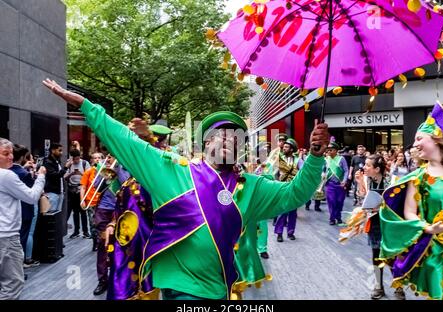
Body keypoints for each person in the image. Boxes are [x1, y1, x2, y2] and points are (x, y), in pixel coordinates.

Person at [43, 78, 329, 300]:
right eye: (221, 134)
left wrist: (315, 157)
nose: (229, 139)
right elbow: (128, 142)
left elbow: (295, 193)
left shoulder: (253, 187)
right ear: (206, 143)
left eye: (236, 137)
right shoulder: (174, 170)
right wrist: (87, 107)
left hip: (220, 286)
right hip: (179, 287)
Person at [379, 102, 443, 300]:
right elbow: (409, 211)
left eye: (419, 138)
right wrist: (427, 228)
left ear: (437, 139)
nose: (415, 143)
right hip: (434, 251)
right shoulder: (417, 177)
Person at [107, 123, 173, 300]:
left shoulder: (156, 180)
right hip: (126, 246)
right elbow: (123, 208)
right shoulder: (129, 182)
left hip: (150, 247)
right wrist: (113, 224)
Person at [0, 138, 46, 299]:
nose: (11, 157)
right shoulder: (6, 175)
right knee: (13, 284)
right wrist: (40, 176)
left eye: (11, 153)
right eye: (6, 154)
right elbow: (32, 197)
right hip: (6, 237)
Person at [355, 155, 405, 300]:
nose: (364, 167)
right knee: (376, 255)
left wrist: (382, 207)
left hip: (390, 223)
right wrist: (359, 183)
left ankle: (399, 287)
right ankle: (378, 286)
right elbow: (361, 199)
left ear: (377, 169)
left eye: (368, 165)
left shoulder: (393, 181)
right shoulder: (366, 179)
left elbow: (400, 204)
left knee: (393, 255)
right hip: (374, 223)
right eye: (365, 164)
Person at [92, 155, 130, 296]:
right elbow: (96, 186)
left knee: (121, 246)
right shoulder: (102, 166)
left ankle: (118, 277)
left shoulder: (126, 165)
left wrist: (117, 169)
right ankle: (102, 280)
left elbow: (126, 183)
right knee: (103, 245)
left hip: (121, 209)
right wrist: (104, 173)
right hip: (104, 209)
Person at [274, 138, 303, 242]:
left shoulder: (298, 160)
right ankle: (279, 233)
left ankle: (290, 232)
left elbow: (303, 173)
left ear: (292, 149)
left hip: (294, 189)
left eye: (286, 147)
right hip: (282, 188)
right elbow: (273, 172)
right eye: (284, 146)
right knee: (282, 211)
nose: (284, 148)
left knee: (292, 212)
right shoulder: (279, 159)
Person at [80, 152, 105, 251]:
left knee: (102, 223)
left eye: (99, 158)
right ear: (92, 160)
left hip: (102, 202)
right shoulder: (88, 171)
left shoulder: (105, 171)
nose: (97, 159)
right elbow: (83, 187)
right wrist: (82, 200)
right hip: (91, 201)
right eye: (95, 158)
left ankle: (102, 242)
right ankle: (95, 242)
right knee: (93, 223)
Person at [65, 149, 91, 238]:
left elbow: (89, 176)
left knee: (83, 211)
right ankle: (76, 231)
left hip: (82, 189)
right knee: (75, 212)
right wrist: (71, 173)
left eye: (78, 158)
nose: (76, 160)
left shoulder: (84, 163)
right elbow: (64, 176)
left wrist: (80, 173)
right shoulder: (69, 164)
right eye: (75, 159)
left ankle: (85, 231)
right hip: (72, 189)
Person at [43, 142, 72, 212]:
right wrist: (65, 167)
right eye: (59, 150)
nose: (61, 153)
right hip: (52, 193)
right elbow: (55, 176)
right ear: (53, 151)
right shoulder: (48, 162)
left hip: (59, 192)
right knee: (50, 215)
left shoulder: (56, 161)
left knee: (55, 215)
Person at [325, 142, 348, 226]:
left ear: (335, 150)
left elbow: (346, 170)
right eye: (328, 150)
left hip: (340, 184)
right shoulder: (326, 159)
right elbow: (323, 170)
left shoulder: (341, 159)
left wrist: (344, 180)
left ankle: (338, 217)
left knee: (339, 201)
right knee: (331, 201)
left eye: (330, 150)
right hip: (330, 184)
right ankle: (332, 218)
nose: (328, 151)